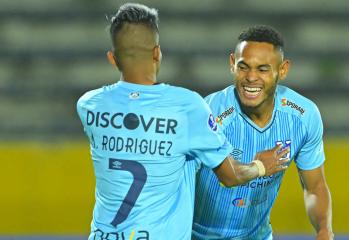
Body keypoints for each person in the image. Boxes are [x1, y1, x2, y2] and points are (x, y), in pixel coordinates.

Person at [76, 4, 290, 240]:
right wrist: (260, 166)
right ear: (157, 53)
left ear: (112, 58)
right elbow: (230, 176)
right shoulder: (187, 107)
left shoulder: (89, 105)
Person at [193, 25, 334, 240]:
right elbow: (225, 176)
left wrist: (324, 230)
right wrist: (259, 167)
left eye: (263, 69)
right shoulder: (210, 113)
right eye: (243, 67)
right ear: (232, 64)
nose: (251, 77)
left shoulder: (303, 117)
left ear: (283, 70)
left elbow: (314, 187)